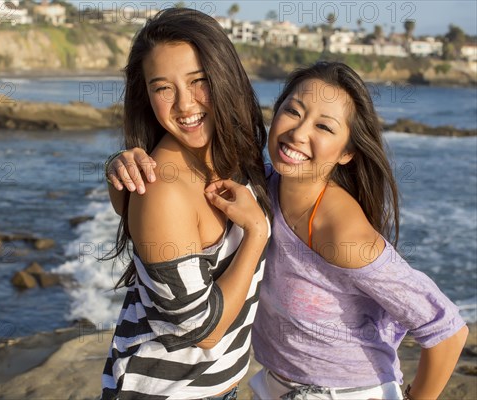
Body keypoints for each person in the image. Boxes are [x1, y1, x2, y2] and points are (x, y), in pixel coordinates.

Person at [105, 61, 468, 399]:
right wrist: (123, 168)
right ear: (275, 112)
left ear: (347, 152)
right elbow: (165, 214)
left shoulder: (342, 232)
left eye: (324, 127)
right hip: (276, 384)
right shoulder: (262, 182)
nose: (298, 133)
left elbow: (447, 331)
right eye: (293, 111)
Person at [101, 8, 272, 399]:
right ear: (146, 94)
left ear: (226, 77)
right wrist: (257, 233)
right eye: (163, 88)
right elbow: (204, 331)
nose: (184, 104)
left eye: (199, 81)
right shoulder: (161, 187)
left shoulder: (236, 155)